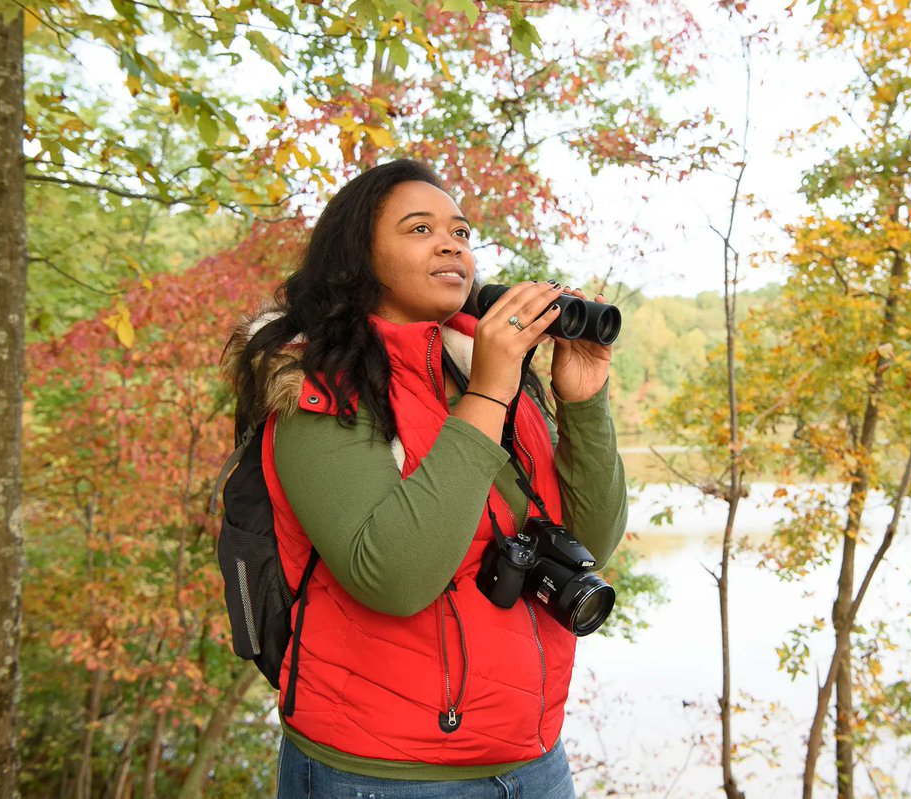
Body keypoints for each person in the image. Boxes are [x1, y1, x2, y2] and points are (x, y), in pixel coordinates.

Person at [223, 159, 628, 798]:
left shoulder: (481, 370)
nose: (451, 243)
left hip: (533, 758)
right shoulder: (319, 391)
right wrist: (495, 385)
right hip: (382, 773)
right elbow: (396, 579)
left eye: (461, 232)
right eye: (419, 229)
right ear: (356, 259)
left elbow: (589, 543)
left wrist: (581, 400)